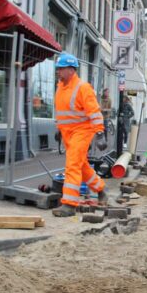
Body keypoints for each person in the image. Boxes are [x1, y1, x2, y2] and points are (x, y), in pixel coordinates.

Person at [52, 52, 108, 217]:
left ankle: (69, 204)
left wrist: (99, 132)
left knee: (72, 165)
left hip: (82, 132)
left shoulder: (83, 87)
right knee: (82, 166)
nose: (58, 72)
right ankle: (101, 189)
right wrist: (59, 128)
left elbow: (94, 111)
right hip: (68, 133)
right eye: (57, 69)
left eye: (60, 69)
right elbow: (63, 112)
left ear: (71, 70)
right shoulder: (60, 87)